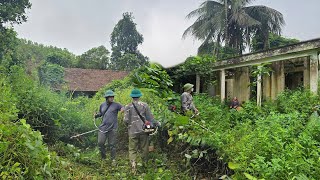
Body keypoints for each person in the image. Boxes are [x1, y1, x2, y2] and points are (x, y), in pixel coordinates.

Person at [123, 88, 159, 173]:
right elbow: (150, 118)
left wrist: (129, 126)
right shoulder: (144, 105)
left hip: (132, 131)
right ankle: (145, 165)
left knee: (132, 149)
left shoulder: (127, 106)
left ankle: (133, 165)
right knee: (144, 148)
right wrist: (156, 123)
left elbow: (125, 120)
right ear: (139, 96)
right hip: (143, 130)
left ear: (132, 97)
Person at [94, 90, 123, 164]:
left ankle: (113, 159)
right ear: (107, 97)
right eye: (110, 97)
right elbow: (101, 113)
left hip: (112, 128)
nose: (112, 98)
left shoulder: (117, 105)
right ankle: (103, 158)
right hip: (103, 128)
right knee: (100, 143)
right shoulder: (102, 105)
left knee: (112, 144)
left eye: (113, 96)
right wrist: (96, 115)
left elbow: (123, 108)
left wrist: (124, 109)